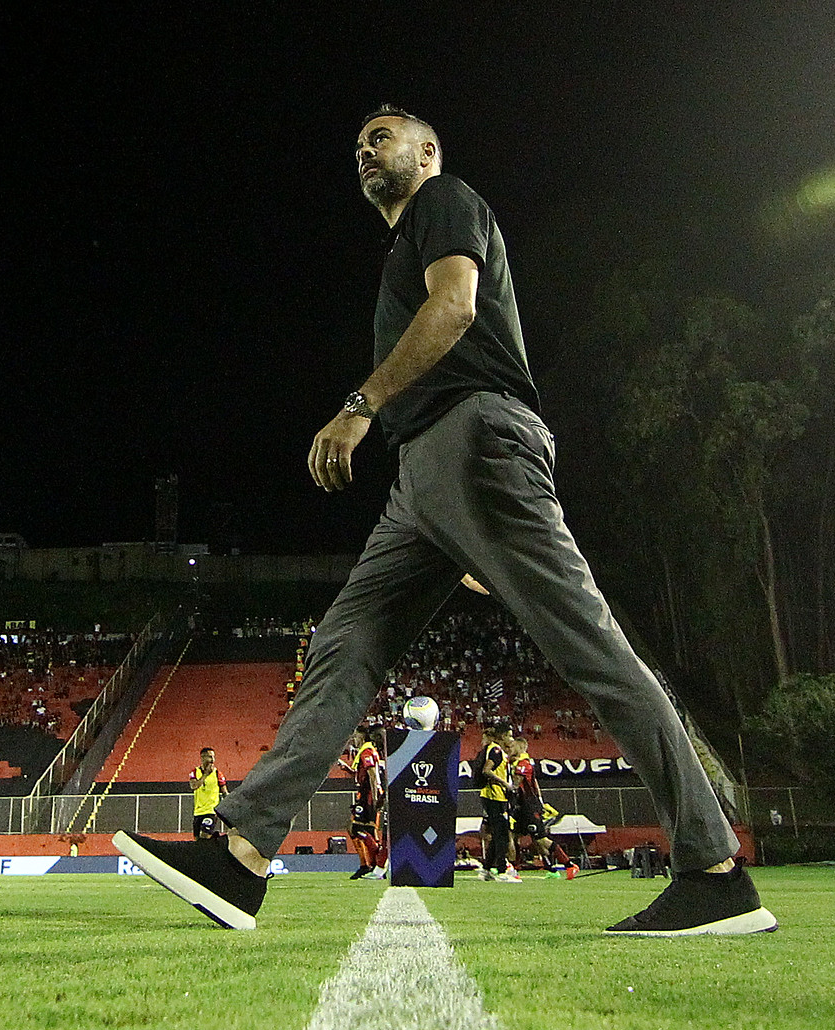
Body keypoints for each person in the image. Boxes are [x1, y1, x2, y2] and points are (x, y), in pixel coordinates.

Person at [116, 105, 768, 936]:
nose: (364, 150)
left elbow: (456, 307)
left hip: (475, 440)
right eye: (357, 144)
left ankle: (713, 870)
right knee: (345, 646)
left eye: (379, 139)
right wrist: (457, 531)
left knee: (593, 650)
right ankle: (240, 856)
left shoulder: (445, 200)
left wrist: (361, 403)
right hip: (424, 483)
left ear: (426, 151)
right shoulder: (402, 242)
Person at [509, 735, 565, 872]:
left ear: (521, 747)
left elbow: (516, 784)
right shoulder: (516, 762)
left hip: (529, 805)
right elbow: (535, 783)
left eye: (513, 746)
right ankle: (515, 868)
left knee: (540, 839)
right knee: (513, 835)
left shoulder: (524, 764)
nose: (510, 749)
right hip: (520, 805)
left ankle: (568, 864)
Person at [475, 721, 519, 883]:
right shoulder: (495, 750)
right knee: (502, 835)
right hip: (494, 796)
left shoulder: (496, 750)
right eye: (509, 735)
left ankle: (487, 869)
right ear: (502, 736)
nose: (511, 739)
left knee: (497, 834)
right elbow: (487, 771)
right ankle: (501, 871)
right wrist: (505, 784)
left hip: (496, 796)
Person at [342, 725, 386, 880]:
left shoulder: (366, 751)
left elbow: (373, 775)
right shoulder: (366, 751)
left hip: (368, 795)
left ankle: (372, 865)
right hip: (366, 793)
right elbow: (364, 773)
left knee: (357, 829)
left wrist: (374, 798)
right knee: (365, 830)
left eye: (355, 736)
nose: (353, 739)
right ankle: (374, 865)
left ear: (362, 737)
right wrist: (348, 770)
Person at [189, 748, 224, 839]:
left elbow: (224, 792)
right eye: (210, 757)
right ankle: (215, 841)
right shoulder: (194, 772)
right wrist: (206, 774)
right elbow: (194, 786)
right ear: (202, 757)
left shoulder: (218, 773)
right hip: (198, 812)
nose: (213, 760)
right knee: (197, 840)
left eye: (213, 757)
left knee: (204, 836)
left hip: (211, 811)